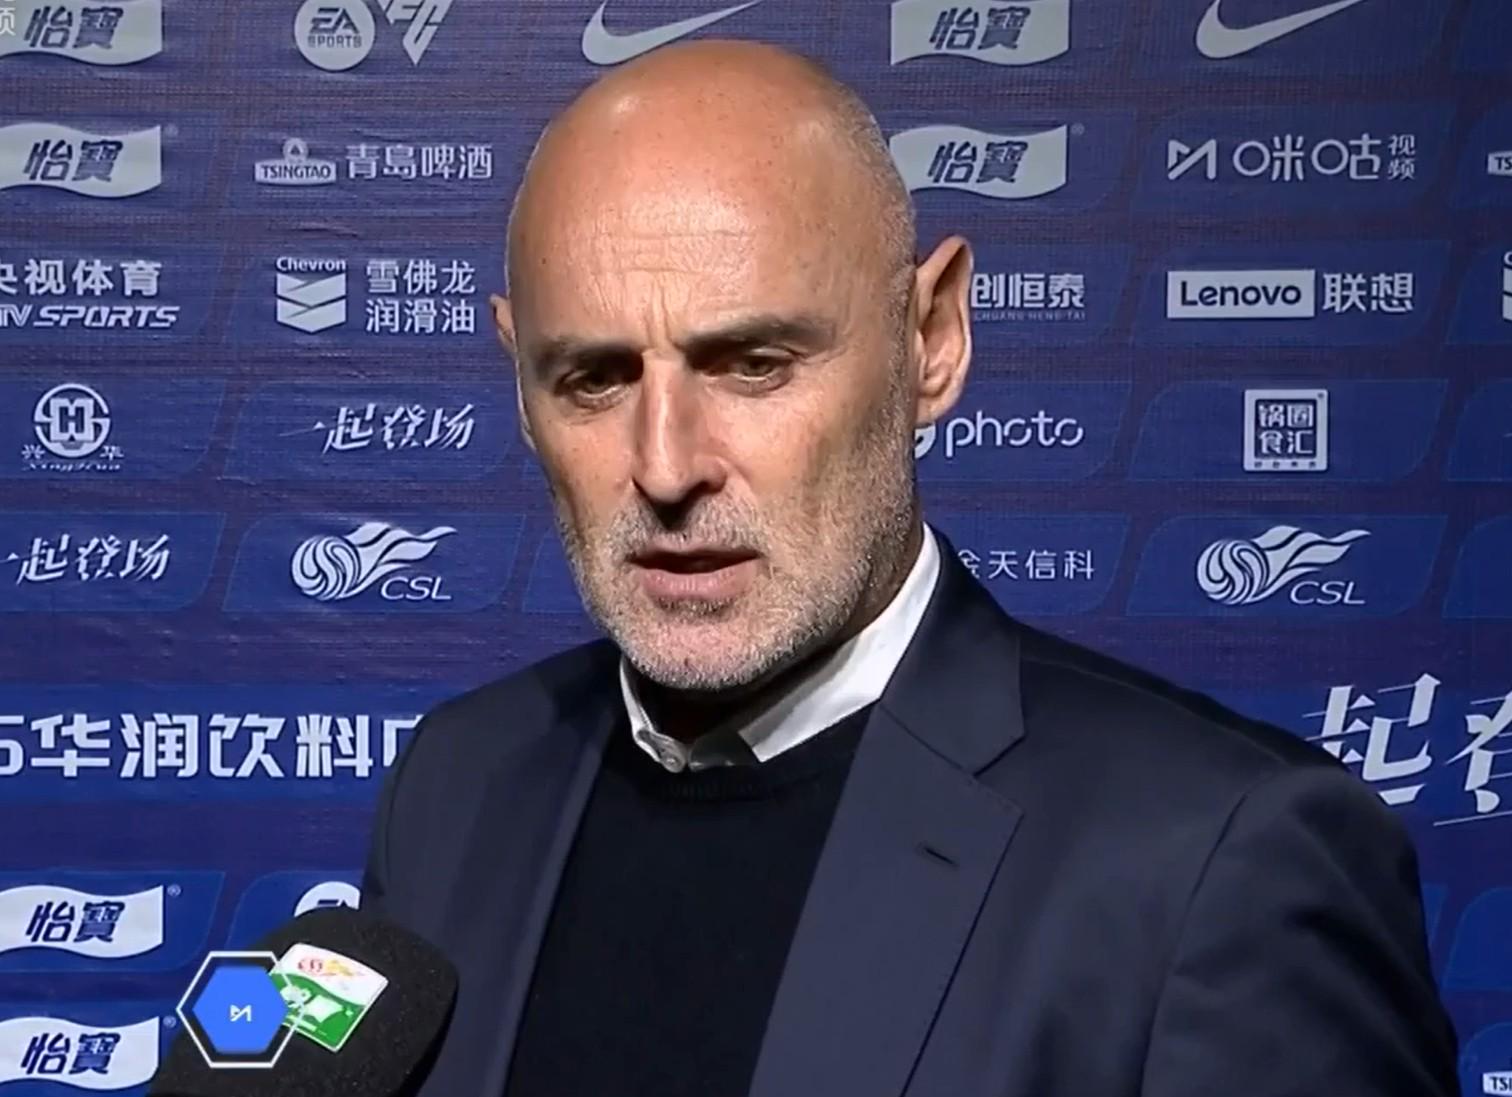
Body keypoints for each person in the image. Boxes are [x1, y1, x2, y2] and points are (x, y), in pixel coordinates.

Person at [361, 39, 1459, 1097]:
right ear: (518, 380)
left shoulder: (1217, 860)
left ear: (932, 339)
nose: (667, 465)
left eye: (753, 364)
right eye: (594, 379)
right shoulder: (457, 782)